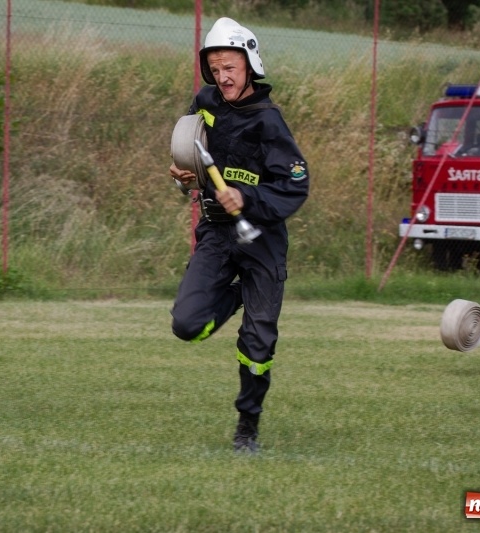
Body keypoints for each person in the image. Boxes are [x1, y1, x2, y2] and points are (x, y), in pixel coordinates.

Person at [169, 18, 310, 453]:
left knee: (258, 343)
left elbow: (294, 185)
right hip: (215, 231)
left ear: (250, 65)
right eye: (215, 68)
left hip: (261, 240)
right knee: (187, 325)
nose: (222, 76)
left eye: (230, 66)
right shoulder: (206, 102)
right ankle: (243, 293)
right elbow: (193, 151)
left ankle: (247, 424)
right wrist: (184, 178)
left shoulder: (270, 122)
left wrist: (246, 198)